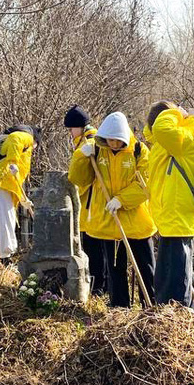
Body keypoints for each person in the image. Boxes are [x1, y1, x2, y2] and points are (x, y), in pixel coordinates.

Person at [69, 111, 156, 307]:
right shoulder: (97, 151)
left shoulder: (139, 151)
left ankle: (151, 307)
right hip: (110, 224)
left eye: (117, 140)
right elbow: (79, 179)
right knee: (115, 271)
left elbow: (146, 185)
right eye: (110, 140)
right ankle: (120, 308)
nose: (114, 144)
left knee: (146, 268)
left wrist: (121, 200)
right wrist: (81, 157)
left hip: (137, 223)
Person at [143, 101, 194, 307]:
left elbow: (160, 128)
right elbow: (153, 132)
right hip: (169, 219)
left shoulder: (188, 137)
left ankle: (180, 322)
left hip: (178, 218)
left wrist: (174, 112)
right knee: (165, 282)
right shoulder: (170, 141)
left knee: (176, 285)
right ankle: (168, 319)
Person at [65, 105, 107, 295]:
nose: (70, 133)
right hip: (92, 204)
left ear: (80, 127)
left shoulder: (88, 143)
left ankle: (98, 287)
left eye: (72, 128)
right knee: (95, 248)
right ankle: (99, 286)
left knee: (95, 249)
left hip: (92, 206)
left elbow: (79, 178)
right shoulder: (90, 140)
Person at [0, 124, 35, 259]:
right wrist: (13, 161)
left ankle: (5, 254)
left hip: (2, 183)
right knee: (3, 219)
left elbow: (16, 181)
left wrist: (23, 199)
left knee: (5, 218)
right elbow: (15, 138)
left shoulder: (25, 151)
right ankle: (3, 255)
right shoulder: (27, 137)